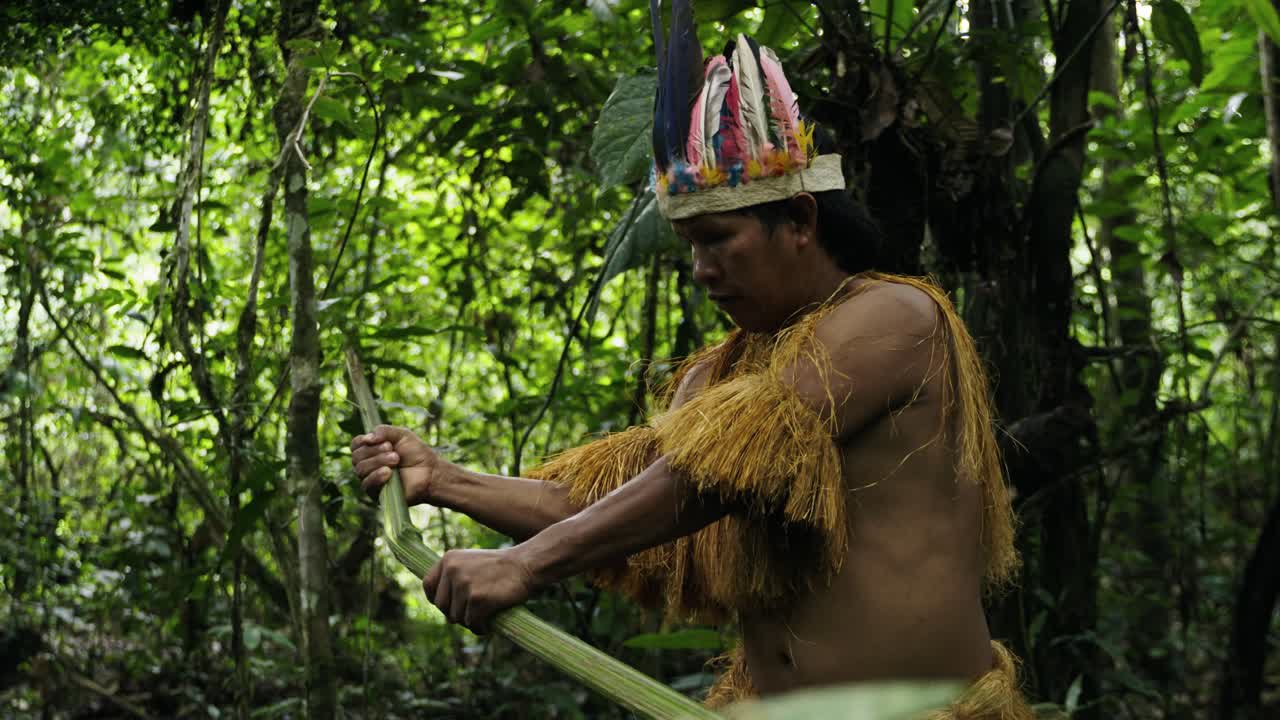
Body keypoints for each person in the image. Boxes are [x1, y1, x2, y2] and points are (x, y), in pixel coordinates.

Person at [352, 9, 1033, 717]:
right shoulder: (719, 376)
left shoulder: (894, 318)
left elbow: (713, 479)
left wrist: (525, 564)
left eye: (718, 239)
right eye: (689, 248)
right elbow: (616, 506)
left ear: (800, 220)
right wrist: (444, 479)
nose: (702, 271)